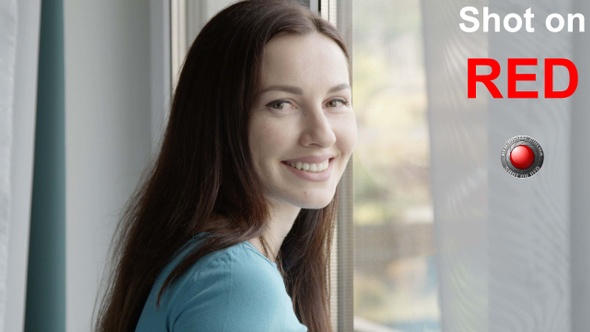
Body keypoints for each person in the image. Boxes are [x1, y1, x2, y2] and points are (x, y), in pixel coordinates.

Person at [95, 0, 357, 331]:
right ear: (219, 120)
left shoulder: (216, 260)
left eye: (336, 102)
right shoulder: (237, 282)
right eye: (281, 104)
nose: (322, 134)